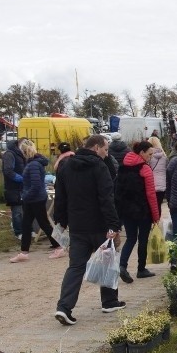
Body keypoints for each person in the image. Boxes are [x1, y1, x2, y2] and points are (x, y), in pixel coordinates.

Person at [53, 134, 125, 325]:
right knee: (107, 262)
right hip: (100, 225)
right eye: (105, 149)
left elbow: (60, 195)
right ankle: (109, 301)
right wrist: (113, 225)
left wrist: (61, 220)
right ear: (96, 148)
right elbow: (106, 198)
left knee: (76, 267)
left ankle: (64, 307)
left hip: (77, 226)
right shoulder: (99, 167)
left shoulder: (66, 166)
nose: (106, 153)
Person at [10, 139, 63, 263]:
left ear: (24, 151)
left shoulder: (33, 165)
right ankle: (24, 252)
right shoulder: (34, 163)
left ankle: (58, 247)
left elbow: (36, 185)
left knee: (43, 224)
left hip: (34, 199)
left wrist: (26, 196)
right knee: (27, 224)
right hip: (34, 198)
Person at [115, 140, 160, 283]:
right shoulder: (145, 169)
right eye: (149, 154)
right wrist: (156, 215)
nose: (151, 157)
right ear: (141, 153)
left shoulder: (123, 167)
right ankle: (141, 269)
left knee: (130, 238)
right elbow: (151, 194)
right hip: (142, 210)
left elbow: (117, 190)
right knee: (143, 239)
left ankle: (122, 265)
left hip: (127, 210)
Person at [2, 137, 27, 239]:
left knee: (25, 210)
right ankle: (19, 232)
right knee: (17, 211)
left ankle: (27, 230)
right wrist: (21, 179)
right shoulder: (9, 154)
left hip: (23, 187)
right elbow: (8, 171)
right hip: (13, 187)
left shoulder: (21, 154)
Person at [148, 136, 167, 211]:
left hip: (151, 183)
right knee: (159, 205)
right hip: (162, 184)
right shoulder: (164, 156)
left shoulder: (149, 156)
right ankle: (157, 221)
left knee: (151, 206)